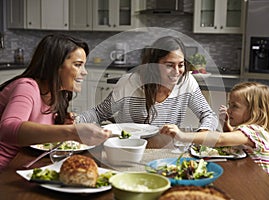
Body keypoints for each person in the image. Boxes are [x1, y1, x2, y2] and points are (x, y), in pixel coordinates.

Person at [0, 34, 111, 170]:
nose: (85, 72)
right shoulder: (26, 87)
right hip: (7, 168)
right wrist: (72, 132)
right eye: (77, 65)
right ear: (55, 66)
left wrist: (61, 122)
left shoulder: (57, 92)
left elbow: (39, 127)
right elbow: (7, 129)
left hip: (29, 161)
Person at [79, 36, 218, 131]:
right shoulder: (130, 82)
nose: (177, 71)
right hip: (130, 147)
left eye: (180, 65)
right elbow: (99, 113)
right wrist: (73, 122)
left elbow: (208, 115)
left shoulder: (187, 82)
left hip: (167, 149)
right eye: (169, 65)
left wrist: (203, 132)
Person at [160, 82, 269, 180]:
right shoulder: (254, 131)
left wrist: (182, 136)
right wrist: (226, 125)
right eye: (229, 105)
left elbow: (221, 139)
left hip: (261, 188)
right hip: (252, 179)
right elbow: (233, 140)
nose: (229, 110)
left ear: (254, 111)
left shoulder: (255, 131)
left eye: (235, 106)